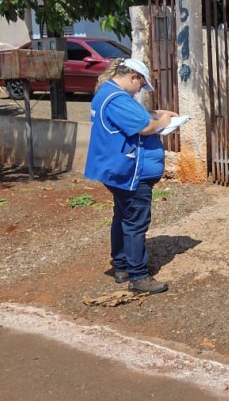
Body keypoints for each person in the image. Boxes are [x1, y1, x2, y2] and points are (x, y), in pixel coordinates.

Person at [84, 58, 177, 294]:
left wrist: (156, 113)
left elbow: (136, 115)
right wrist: (163, 121)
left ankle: (122, 265)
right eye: (140, 85)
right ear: (133, 77)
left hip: (118, 169)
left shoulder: (108, 93)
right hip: (130, 171)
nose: (139, 91)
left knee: (123, 215)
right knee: (136, 221)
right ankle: (138, 276)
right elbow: (145, 127)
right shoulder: (116, 98)